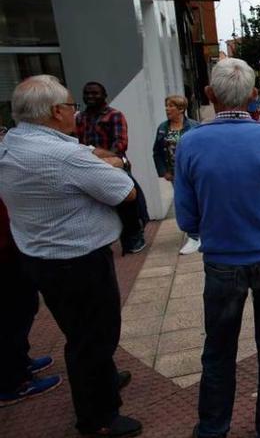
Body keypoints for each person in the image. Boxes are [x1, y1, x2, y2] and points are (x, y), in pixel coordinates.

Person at [174, 58, 260, 438]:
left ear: (209, 95)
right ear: (253, 95)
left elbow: (186, 218)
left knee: (218, 350)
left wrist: (214, 230)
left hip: (221, 264)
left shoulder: (190, 143)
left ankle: (212, 428)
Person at [0, 75, 140, 437]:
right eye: (70, 106)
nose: (75, 112)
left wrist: (97, 160)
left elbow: (86, 159)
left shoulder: (11, 143)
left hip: (38, 255)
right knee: (93, 338)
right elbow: (125, 192)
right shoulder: (61, 155)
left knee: (78, 330)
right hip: (78, 261)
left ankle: (105, 379)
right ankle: (98, 417)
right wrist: (116, 163)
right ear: (54, 112)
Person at [0, 128, 63, 407]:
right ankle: (13, 381)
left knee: (23, 307)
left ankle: (20, 360)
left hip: (14, 246)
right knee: (10, 314)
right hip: (3, 251)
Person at [76, 81, 147, 254]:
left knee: (125, 203)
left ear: (104, 95)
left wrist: (101, 158)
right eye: (87, 93)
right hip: (87, 167)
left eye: (95, 93)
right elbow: (77, 142)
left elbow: (120, 144)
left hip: (114, 165)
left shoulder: (114, 115)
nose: (90, 97)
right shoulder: (79, 118)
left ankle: (134, 237)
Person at [152, 95, 201, 255]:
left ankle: (203, 232)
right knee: (184, 203)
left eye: (171, 106)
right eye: (166, 106)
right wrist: (163, 171)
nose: (167, 109)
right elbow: (157, 152)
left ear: (181, 109)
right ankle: (193, 236)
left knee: (199, 200)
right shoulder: (162, 128)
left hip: (193, 172)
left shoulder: (194, 126)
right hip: (175, 174)